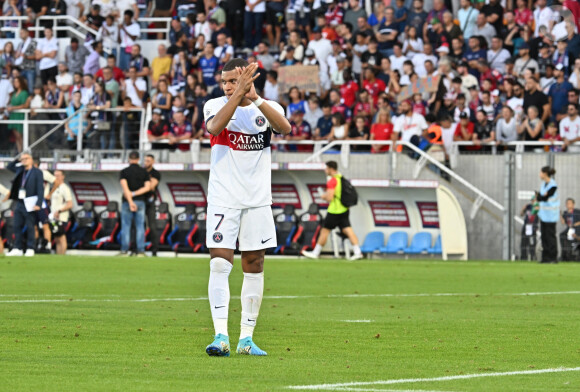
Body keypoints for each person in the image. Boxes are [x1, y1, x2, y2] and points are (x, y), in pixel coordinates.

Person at [202, 58, 291, 357]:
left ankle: (246, 339)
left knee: (254, 265)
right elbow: (215, 128)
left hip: (257, 200)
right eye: (225, 81)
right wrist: (237, 95)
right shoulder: (214, 106)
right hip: (223, 198)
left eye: (234, 80)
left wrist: (253, 98)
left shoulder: (268, 107)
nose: (228, 86)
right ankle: (220, 336)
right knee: (219, 262)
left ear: (250, 79)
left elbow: (285, 128)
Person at [302, 161, 363, 261]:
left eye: (326, 168)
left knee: (324, 231)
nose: (325, 171)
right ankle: (357, 252)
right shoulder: (340, 177)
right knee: (348, 230)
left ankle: (315, 252)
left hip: (334, 211)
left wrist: (323, 196)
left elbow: (330, 197)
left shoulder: (332, 180)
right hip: (344, 209)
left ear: (331, 168)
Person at [5, 152, 44, 256]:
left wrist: (38, 203)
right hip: (19, 202)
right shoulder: (20, 170)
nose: (24, 160)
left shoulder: (37, 172)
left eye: (26, 158)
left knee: (30, 225)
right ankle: (17, 248)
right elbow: (9, 166)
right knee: (16, 225)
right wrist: (18, 159)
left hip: (30, 202)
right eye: (22, 159)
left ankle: (30, 248)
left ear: (31, 159)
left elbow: (40, 189)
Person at [119, 151, 151, 257]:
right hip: (141, 201)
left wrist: (130, 200)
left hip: (127, 202)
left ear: (129, 159)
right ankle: (141, 251)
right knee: (140, 226)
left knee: (126, 226)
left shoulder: (124, 172)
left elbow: (125, 188)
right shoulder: (144, 172)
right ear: (138, 159)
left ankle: (124, 250)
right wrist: (135, 194)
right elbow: (148, 187)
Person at [536, 166, 560, 264]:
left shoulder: (553, 185)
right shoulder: (543, 185)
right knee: (544, 237)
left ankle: (553, 257)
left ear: (545, 173)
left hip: (551, 215)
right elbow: (541, 197)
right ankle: (545, 258)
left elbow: (545, 197)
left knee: (550, 237)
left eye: (541, 172)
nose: (539, 174)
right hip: (543, 215)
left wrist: (540, 197)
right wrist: (540, 197)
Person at [46, 170, 73, 255]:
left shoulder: (64, 188)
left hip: (61, 217)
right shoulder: (54, 187)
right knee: (57, 238)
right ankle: (58, 255)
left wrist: (60, 211)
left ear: (63, 176)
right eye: (54, 175)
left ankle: (62, 255)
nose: (56, 177)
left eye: (58, 175)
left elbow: (70, 204)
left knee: (61, 237)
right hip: (53, 216)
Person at [143, 154, 161, 257]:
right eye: (145, 160)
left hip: (150, 202)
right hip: (140, 201)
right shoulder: (141, 171)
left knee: (152, 226)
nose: (146, 163)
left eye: (148, 161)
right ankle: (138, 249)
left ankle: (154, 250)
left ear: (153, 161)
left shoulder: (155, 173)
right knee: (140, 226)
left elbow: (150, 186)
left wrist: (144, 184)